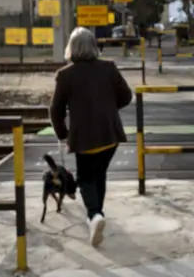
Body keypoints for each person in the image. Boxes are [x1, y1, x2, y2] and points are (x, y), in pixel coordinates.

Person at [50, 27, 133, 247]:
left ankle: (94, 215)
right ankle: (97, 215)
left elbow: (55, 110)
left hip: (84, 136)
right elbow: (126, 96)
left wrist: (62, 133)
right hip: (110, 133)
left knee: (86, 177)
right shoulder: (109, 68)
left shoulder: (65, 75)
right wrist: (107, 108)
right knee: (99, 174)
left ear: (72, 48)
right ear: (94, 47)